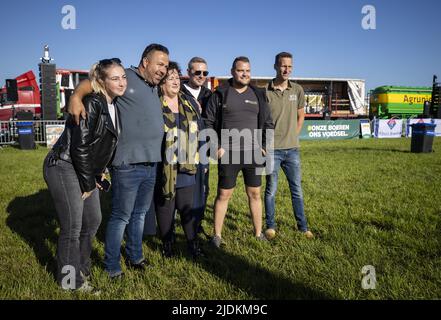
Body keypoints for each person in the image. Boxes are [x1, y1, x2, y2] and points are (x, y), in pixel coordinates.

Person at [68, 44, 169, 279]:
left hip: (151, 162)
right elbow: (91, 82)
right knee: (121, 216)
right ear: (145, 61)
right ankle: (112, 266)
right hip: (127, 164)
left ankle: (136, 257)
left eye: (166, 65)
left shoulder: (153, 87)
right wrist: (75, 96)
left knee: (140, 215)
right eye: (159, 63)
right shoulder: (127, 77)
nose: (163, 69)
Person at [43, 58, 126, 291]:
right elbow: (80, 147)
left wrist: (97, 176)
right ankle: (71, 281)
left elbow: (100, 146)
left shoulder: (114, 104)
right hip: (64, 164)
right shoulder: (92, 103)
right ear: (101, 81)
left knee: (93, 220)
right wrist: (89, 182)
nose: (121, 82)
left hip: (85, 168)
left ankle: (81, 267)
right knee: (72, 224)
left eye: (123, 77)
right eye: (115, 78)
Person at [204, 56, 274, 247]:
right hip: (229, 154)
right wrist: (216, 147)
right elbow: (208, 122)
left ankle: (258, 233)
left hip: (253, 154)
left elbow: (268, 123)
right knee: (223, 195)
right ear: (233, 71)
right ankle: (217, 235)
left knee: (255, 194)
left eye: (248, 71)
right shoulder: (220, 94)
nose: (245, 74)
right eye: (241, 70)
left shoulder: (258, 94)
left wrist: (265, 147)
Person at [155, 62, 204, 259]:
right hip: (163, 164)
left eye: (177, 77)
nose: (175, 81)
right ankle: (168, 244)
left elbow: (199, 131)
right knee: (166, 205)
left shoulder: (189, 103)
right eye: (170, 78)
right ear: (161, 83)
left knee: (186, 206)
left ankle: (192, 243)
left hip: (187, 163)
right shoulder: (155, 103)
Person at [264, 52, 313, 240]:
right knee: (271, 189)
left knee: (296, 189)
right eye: (283, 66)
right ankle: (270, 226)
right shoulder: (265, 90)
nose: (287, 69)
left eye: (290, 66)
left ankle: (303, 227)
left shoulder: (297, 90)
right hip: (271, 150)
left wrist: (293, 135)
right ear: (276, 66)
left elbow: (301, 116)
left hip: (292, 150)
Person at [181, 57, 212, 238]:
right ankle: (181, 222)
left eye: (205, 73)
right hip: (182, 148)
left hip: (203, 149)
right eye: (197, 72)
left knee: (203, 188)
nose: (201, 76)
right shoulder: (179, 91)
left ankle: (197, 223)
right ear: (188, 72)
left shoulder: (209, 95)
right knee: (184, 187)